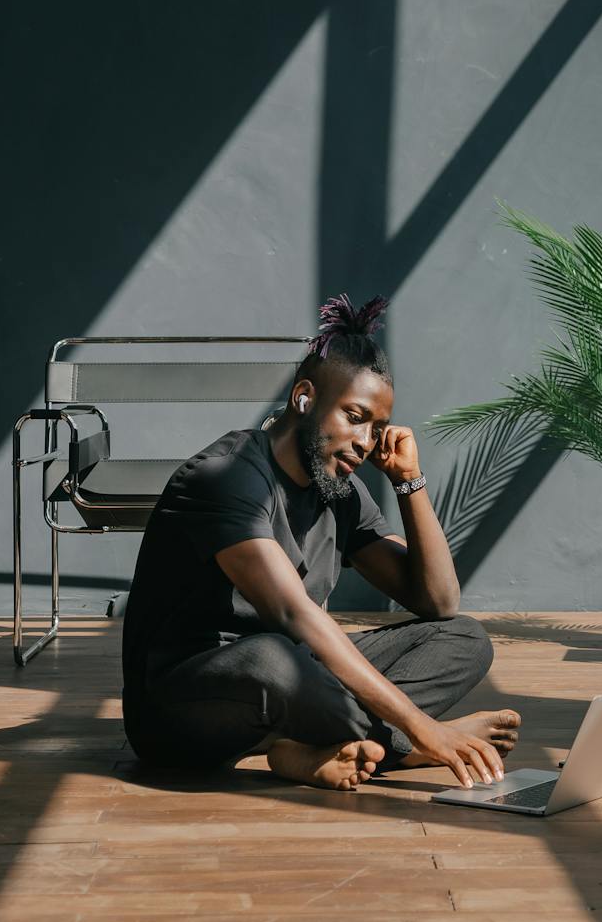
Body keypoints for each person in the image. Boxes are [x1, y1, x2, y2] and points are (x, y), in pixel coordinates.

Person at [120, 294, 520, 791]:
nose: (366, 441)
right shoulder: (227, 477)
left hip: (298, 680)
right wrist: (425, 728)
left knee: (463, 638)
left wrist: (409, 482)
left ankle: (308, 749)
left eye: (376, 428)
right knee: (276, 656)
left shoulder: (339, 493)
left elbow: (437, 600)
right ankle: (397, 746)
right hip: (180, 710)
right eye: (354, 416)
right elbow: (295, 618)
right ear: (304, 397)